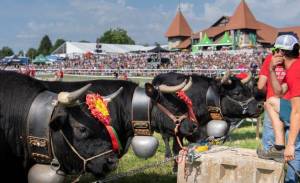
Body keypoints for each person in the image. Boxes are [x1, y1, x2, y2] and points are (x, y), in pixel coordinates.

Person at [257, 34, 300, 183]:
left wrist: (291, 145)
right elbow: (279, 93)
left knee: (295, 147)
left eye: (275, 49)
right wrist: (271, 70)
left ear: (281, 53)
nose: (273, 53)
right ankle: (279, 146)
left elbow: (297, 111)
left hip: (298, 113)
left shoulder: (295, 71)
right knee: (270, 102)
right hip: (293, 110)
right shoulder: (293, 67)